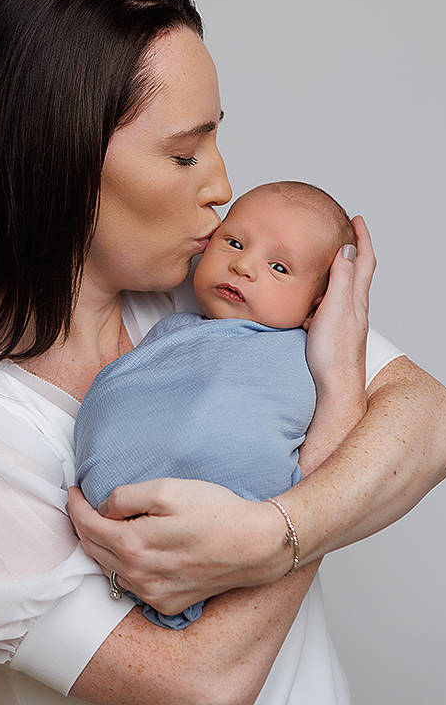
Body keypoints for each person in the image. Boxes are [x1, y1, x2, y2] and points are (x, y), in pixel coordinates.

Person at [0, 0, 446, 705]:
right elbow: (201, 683)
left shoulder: (214, 289)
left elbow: (438, 422)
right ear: (62, 162)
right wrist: (328, 446)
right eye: (183, 153)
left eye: (214, 143)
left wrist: (278, 525)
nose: (221, 187)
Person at [74, 181, 360, 629]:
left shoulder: (312, 350)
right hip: (118, 516)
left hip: (246, 519)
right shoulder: (172, 327)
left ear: (318, 305)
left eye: (279, 267)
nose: (243, 265)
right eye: (233, 242)